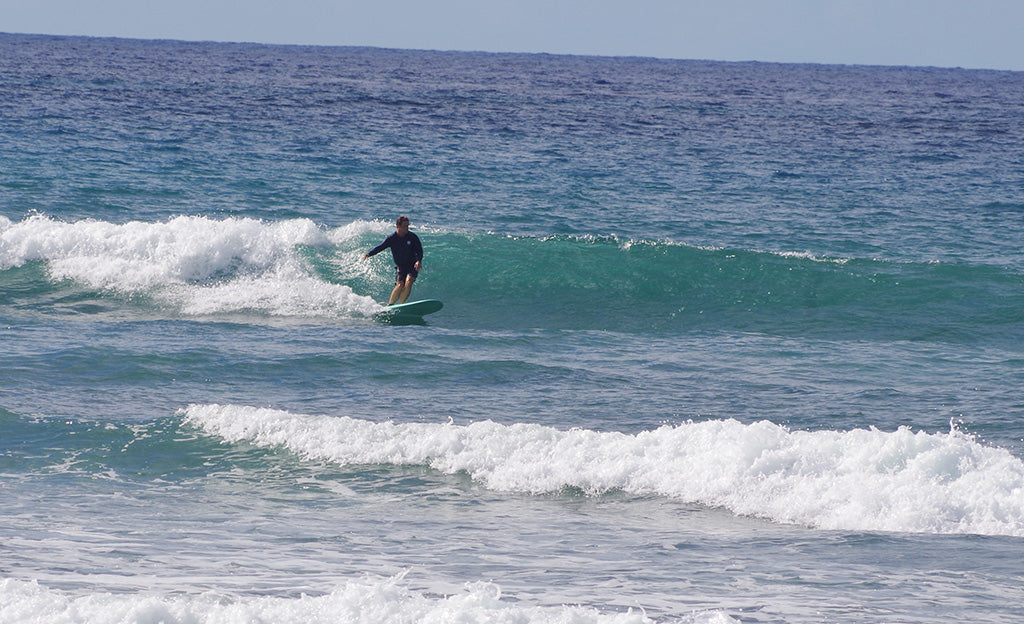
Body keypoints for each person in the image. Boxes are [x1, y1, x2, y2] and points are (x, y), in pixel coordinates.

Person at [362, 216, 424, 305]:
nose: (407, 228)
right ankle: (390, 305)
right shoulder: (392, 238)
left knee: (409, 282)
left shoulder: (412, 237)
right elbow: (380, 247)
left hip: (412, 265)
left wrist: (419, 261)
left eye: (408, 226)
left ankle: (401, 304)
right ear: (398, 226)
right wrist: (369, 254)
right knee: (399, 285)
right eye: (405, 226)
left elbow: (419, 251)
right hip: (400, 267)